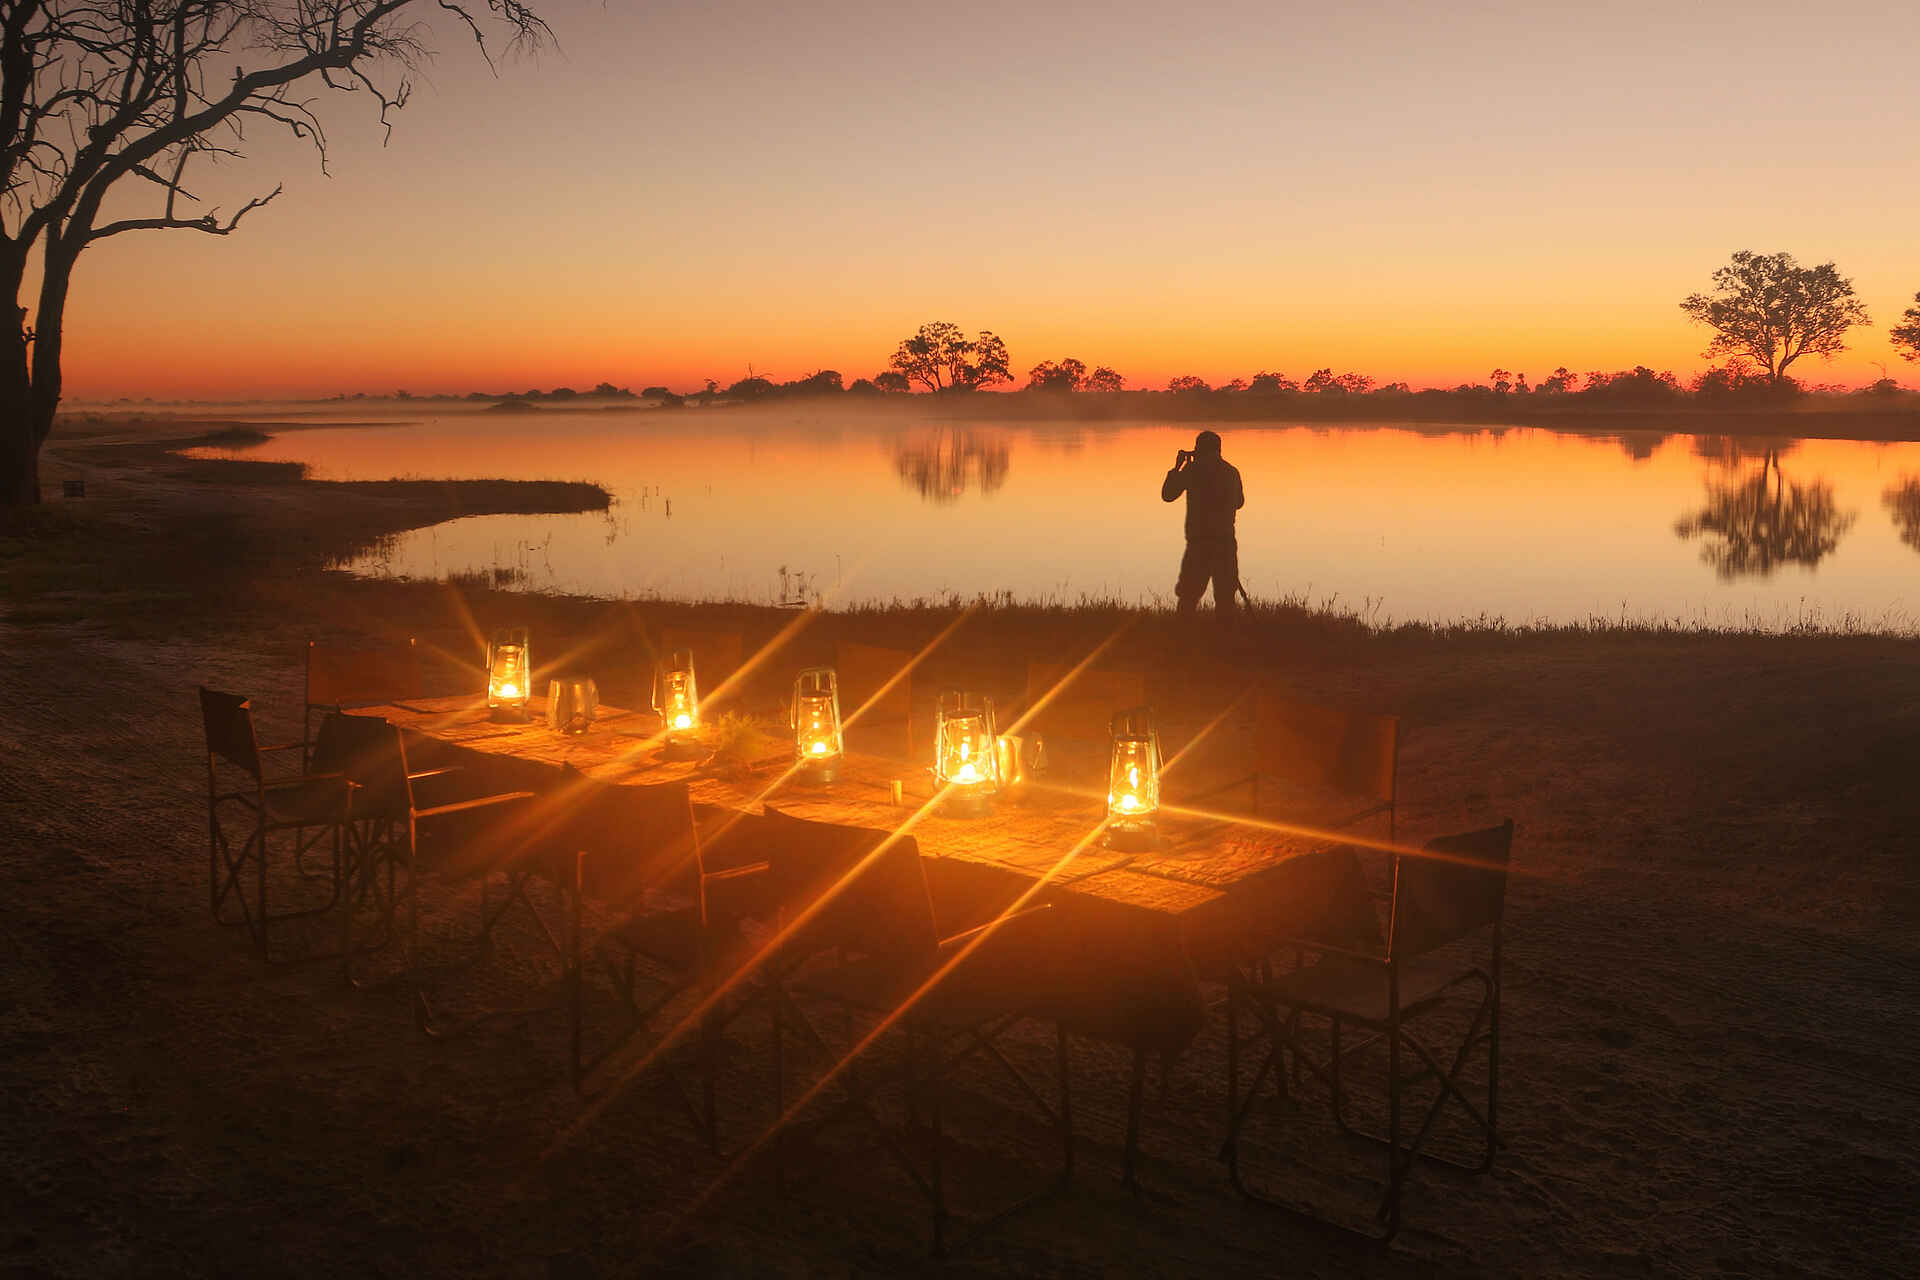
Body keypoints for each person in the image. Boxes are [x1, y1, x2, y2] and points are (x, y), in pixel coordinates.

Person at [1161, 429, 1245, 621]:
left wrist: (1177, 468)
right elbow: (1239, 503)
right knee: (1225, 598)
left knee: (1188, 598)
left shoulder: (1192, 471)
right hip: (1225, 544)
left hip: (1199, 545)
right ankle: (1225, 640)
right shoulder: (1231, 472)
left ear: (1199, 449)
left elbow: (1168, 495)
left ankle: (1183, 639)